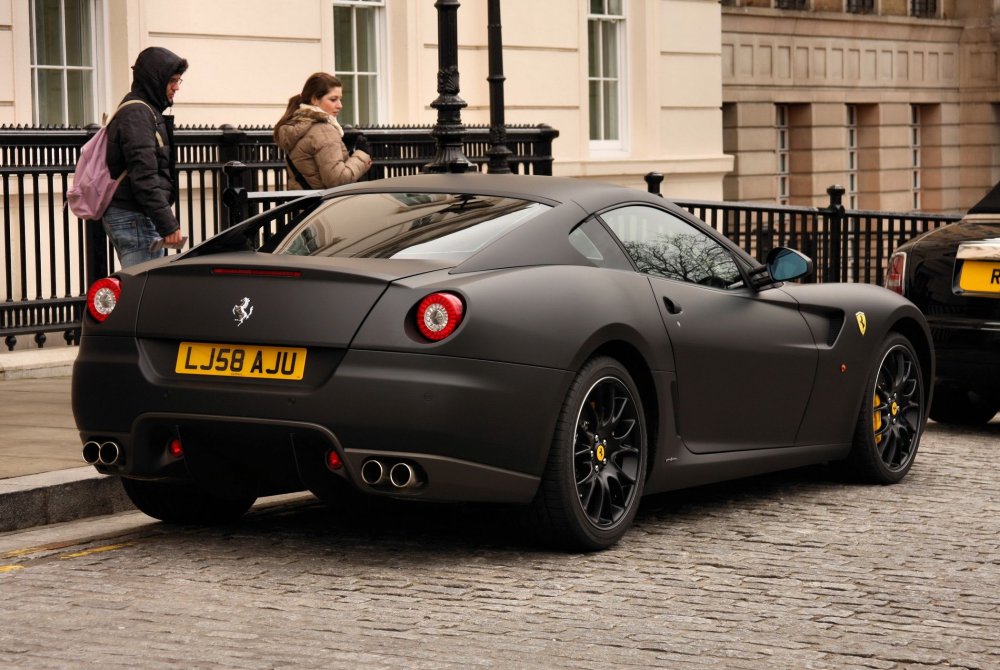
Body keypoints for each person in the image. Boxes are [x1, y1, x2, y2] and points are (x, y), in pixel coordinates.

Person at [103, 46, 188, 267]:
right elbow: (144, 177)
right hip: (135, 216)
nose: (177, 87)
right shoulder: (138, 114)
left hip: (135, 215)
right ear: (155, 80)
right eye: (172, 81)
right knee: (141, 293)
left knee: (142, 291)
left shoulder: (144, 111)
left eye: (179, 80)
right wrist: (168, 225)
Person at [274, 73, 372, 189]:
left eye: (340, 99)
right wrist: (361, 155)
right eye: (333, 99)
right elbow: (337, 180)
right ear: (315, 99)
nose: (340, 105)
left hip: (303, 202)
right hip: (327, 204)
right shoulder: (323, 130)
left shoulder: (298, 123)